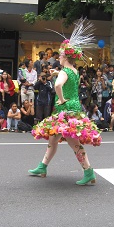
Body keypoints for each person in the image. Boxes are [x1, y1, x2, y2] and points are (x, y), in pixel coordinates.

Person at [29, 18, 101, 185]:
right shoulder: (73, 70)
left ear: (66, 56)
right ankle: (42, 166)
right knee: (53, 139)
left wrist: (60, 99)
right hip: (73, 107)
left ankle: (88, 171)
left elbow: (59, 85)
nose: (58, 57)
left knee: (74, 143)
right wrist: (57, 74)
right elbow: (65, 79)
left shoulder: (63, 71)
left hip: (65, 109)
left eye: (60, 55)